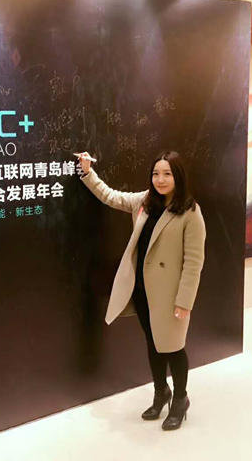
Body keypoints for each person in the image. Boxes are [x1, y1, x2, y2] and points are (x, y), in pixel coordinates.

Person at [78, 150, 206, 431]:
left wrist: (185, 301)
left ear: (178, 176)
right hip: (142, 289)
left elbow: (194, 262)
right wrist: (87, 173)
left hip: (170, 295)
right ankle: (161, 393)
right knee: (153, 343)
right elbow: (111, 196)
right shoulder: (144, 202)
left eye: (167, 174)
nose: (160, 179)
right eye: (156, 174)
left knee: (174, 348)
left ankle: (180, 399)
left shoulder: (190, 212)